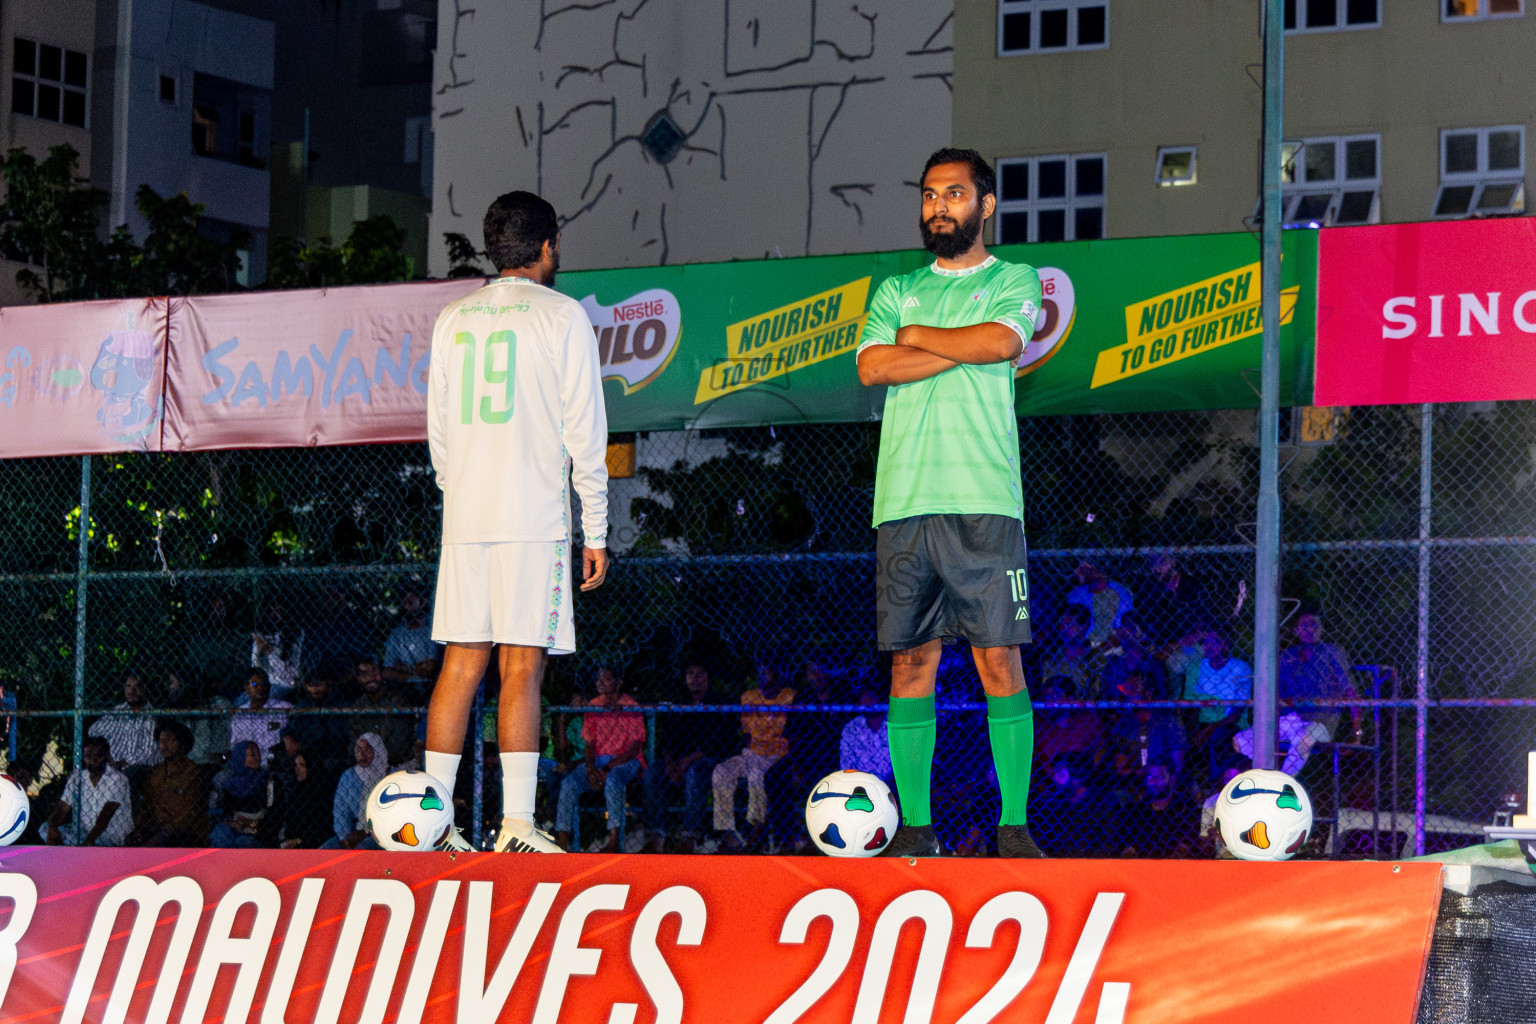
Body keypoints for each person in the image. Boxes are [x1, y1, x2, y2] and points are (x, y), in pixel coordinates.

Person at [856, 147, 1045, 859]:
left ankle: (1015, 828)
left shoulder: (1015, 278)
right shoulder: (896, 287)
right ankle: (915, 827)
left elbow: (1003, 341)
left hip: (984, 498)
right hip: (903, 501)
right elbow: (873, 364)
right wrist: (957, 348)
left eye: (956, 194)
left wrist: (920, 342)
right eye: (931, 194)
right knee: (911, 664)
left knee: (1000, 660)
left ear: (985, 206)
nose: (940, 206)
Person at [424, 190, 609, 855]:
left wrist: (464, 490)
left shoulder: (453, 318)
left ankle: (434, 824)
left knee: (461, 663)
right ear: (548, 245)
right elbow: (586, 433)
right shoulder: (561, 316)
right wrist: (597, 529)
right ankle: (518, 827)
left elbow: (438, 437)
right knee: (522, 667)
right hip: (531, 516)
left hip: (467, 514)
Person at [1233, 612, 1363, 777]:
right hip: (1290, 720)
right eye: (1304, 626)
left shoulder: (1331, 652)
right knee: (1241, 740)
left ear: (1322, 629)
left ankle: (1281, 783)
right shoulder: (1288, 656)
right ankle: (1264, 777)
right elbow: (1276, 693)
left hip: (1319, 722)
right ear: (1296, 631)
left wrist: (1357, 731)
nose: (1309, 629)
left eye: (1314, 625)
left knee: (1303, 738)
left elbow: (1350, 690)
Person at [641, 664, 731, 853]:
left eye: (700, 674)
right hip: (678, 761)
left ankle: (689, 835)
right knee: (652, 773)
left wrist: (685, 763)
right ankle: (656, 834)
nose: (695, 678)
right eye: (690, 674)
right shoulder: (679, 702)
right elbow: (667, 740)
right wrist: (669, 764)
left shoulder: (717, 701)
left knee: (694, 773)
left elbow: (716, 743)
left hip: (707, 760)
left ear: (707, 677)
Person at [553, 669, 645, 852]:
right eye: (598, 680)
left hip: (625, 760)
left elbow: (634, 748)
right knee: (569, 783)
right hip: (599, 761)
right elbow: (589, 744)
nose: (600, 683)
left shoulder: (630, 705)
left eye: (607, 679)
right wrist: (590, 769)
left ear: (618, 683)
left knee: (613, 780)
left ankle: (613, 840)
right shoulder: (594, 705)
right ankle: (562, 839)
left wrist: (607, 768)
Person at [128, 721, 210, 847]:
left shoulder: (194, 773)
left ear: (182, 745)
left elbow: (187, 815)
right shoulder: (156, 772)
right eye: (161, 740)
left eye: (170, 740)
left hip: (185, 832)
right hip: (157, 827)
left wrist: (163, 834)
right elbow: (146, 805)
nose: (164, 745)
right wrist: (139, 827)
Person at [40, 736, 131, 847]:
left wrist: (88, 842)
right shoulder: (78, 777)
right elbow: (63, 808)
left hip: (111, 835)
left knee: (87, 843)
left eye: (97, 756)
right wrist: (53, 826)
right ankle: (62, 856)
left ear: (106, 756)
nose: (92, 760)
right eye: (88, 756)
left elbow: (105, 816)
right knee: (45, 828)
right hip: (86, 831)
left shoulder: (117, 779)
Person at [323, 733, 390, 850]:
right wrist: (344, 837)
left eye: (368, 750)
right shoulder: (348, 776)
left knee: (362, 848)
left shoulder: (389, 776)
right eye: (359, 750)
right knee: (326, 849)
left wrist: (364, 833)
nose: (362, 755)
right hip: (350, 834)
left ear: (377, 751)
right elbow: (340, 810)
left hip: (380, 835)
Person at [348, 656, 415, 767]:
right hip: (367, 764)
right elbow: (354, 743)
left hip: (397, 764)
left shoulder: (398, 701)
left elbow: (400, 744)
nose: (370, 677)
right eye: (364, 674)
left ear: (382, 673)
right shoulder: (358, 706)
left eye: (374, 671)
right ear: (358, 678)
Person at [88, 672, 159, 776]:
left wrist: (121, 764)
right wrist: (106, 755)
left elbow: (147, 753)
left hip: (136, 771)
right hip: (111, 768)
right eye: (128, 686)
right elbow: (93, 731)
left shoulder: (151, 716)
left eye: (136, 687)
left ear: (144, 688)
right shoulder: (118, 710)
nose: (131, 691)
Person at [209, 740, 274, 848]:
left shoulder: (265, 779)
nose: (257, 758)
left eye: (258, 753)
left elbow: (270, 809)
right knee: (220, 835)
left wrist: (249, 823)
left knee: (244, 842)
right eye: (252, 754)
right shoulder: (228, 782)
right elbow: (221, 810)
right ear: (240, 757)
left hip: (256, 827)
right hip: (233, 826)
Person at [1065, 562, 1135, 647]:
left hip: (1111, 638)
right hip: (1089, 640)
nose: (1090, 574)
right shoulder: (1080, 593)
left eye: (1093, 570)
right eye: (1085, 571)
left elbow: (1127, 618)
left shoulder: (1118, 590)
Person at [384, 588, 440, 692]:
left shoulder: (434, 627)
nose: (406, 606)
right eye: (403, 602)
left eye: (410, 601)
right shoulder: (397, 634)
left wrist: (403, 668)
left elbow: (430, 667)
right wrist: (411, 675)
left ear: (422, 601)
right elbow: (387, 670)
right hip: (406, 689)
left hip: (435, 686)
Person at [230, 668, 292, 759]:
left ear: (269, 686)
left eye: (263, 684)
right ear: (246, 688)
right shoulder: (240, 714)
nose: (260, 688)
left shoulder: (283, 708)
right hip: (249, 763)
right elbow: (235, 744)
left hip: (275, 761)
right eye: (255, 684)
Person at [839, 689, 893, 785]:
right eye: (863, 697)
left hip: (892, 785)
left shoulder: (893, 725)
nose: (867, 701)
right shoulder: (852, 728)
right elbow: (846, 764)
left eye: (871, 696)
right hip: (859, 785)